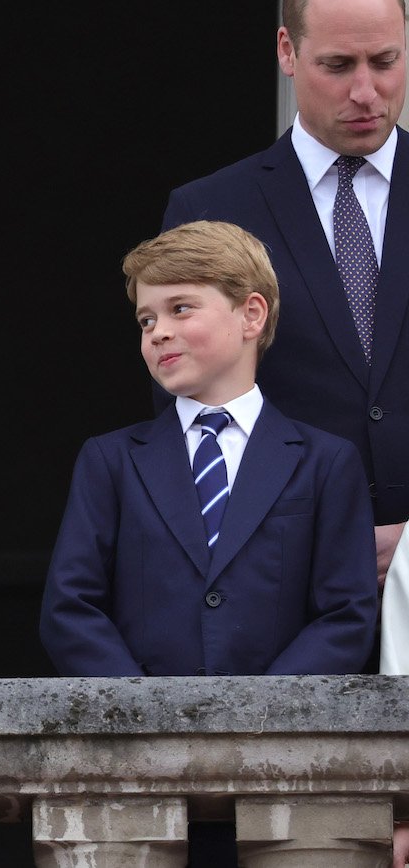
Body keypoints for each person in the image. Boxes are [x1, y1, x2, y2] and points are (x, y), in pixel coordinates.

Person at [40, 220, 379, 866]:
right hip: (138, 778)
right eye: (145, 320)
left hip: (284, 775)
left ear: (252, 314)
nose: (157, 331)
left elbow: (346, 613)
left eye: (180, 308)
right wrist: (146, 714)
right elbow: (70, 607)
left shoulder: (325, 462)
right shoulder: (110, 460)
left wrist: (259, 714)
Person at [160, 0, 408, 594]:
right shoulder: (210, 208)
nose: (366, 91)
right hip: (281, 584)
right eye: (339, 64)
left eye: (386, 61)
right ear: (286, 53)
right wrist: (316, 536)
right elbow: (193, 417)